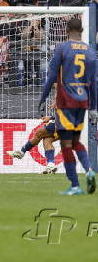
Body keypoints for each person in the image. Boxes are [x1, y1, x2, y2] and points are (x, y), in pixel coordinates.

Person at [39, 18, 97, 195]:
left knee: (66, 144)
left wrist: (43, 97)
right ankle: (89, 171)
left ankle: (75, 186)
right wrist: (94, 107)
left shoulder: (63, 48)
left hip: (65, 101)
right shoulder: (91, 51)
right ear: (81, 29)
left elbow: (51, 77)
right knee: (73, 141)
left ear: (66, 30)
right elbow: (94, 81)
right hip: (83, 101)